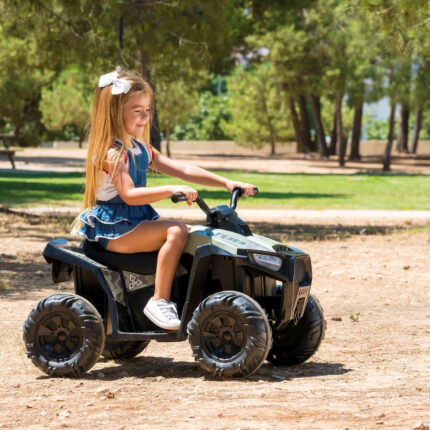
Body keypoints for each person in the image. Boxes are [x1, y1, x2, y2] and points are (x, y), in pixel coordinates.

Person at [74, 69, 256, 331]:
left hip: (132, 223)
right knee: (176, 231)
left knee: (196, 234)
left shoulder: (140, 148)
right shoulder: (111, 153)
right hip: (114, 230)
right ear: (114, 112)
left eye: (147, 110)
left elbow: (183, 169)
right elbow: (129, 195)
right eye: (137, 110)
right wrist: (170, 189)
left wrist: (227, 183)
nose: (145, 117)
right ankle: (159, 301)